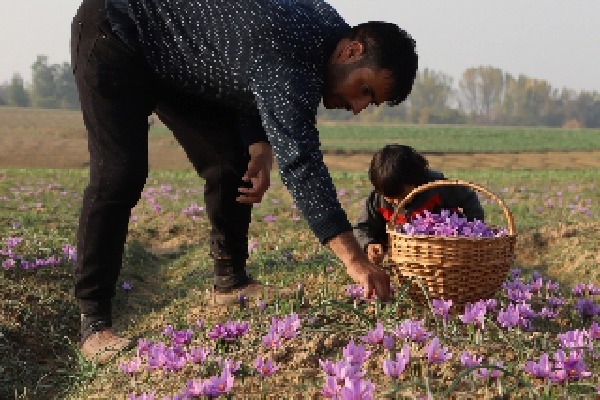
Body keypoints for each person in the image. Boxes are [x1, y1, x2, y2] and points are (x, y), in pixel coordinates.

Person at [71, 0, 418, 363]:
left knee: (228, 162)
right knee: (120, 174)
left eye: (371, 101)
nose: (359, 107)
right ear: (351, 51)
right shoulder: (291, 48)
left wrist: (258, 142)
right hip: (116, 32)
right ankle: (94, 321)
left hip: (176, 53)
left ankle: (230, 278)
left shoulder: (323, 30)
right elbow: (301, 162)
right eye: (365, 90)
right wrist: (355, 260)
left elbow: (239, 59)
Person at [354, 144, 484, 264]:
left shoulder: (437, 186)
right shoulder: (377, 197)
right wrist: (369, 244)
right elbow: (363, 228)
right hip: (400, 257)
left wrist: (472, 232)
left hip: (442, 254)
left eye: (403, 196)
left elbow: (468, 198)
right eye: (390, 198)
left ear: (415, 179)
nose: (398, 202)